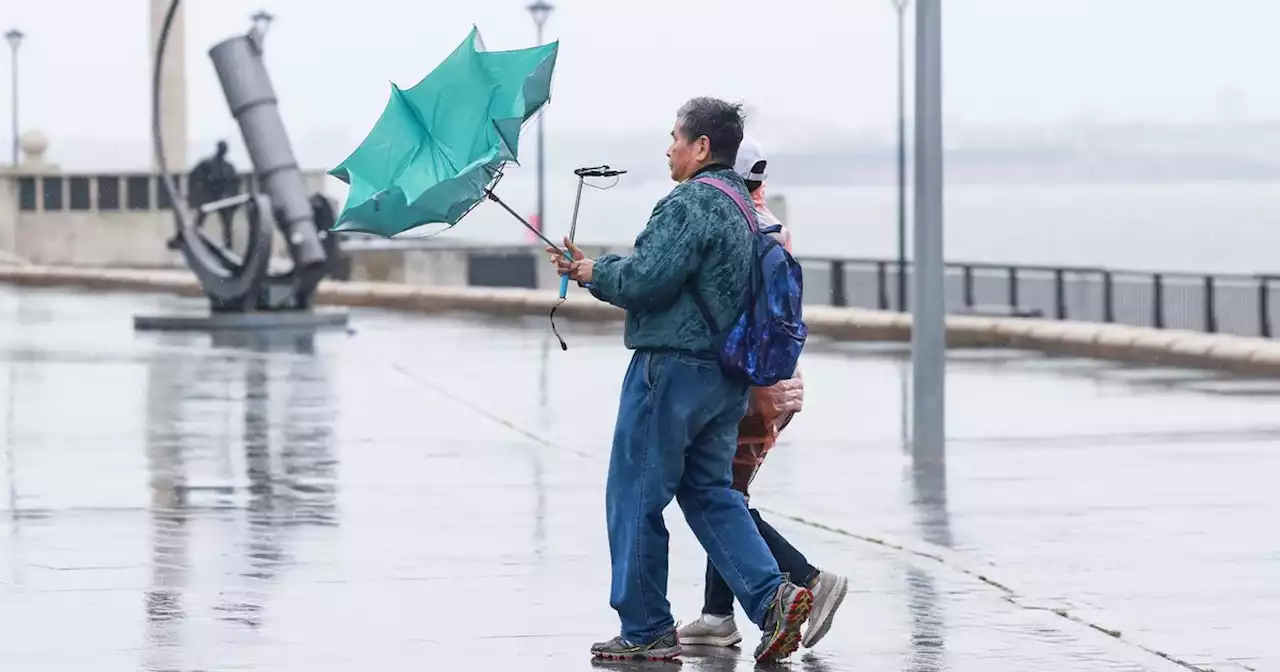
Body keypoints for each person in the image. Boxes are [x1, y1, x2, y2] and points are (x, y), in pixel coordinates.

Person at [548, 98, 813, 664]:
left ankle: (645, 629)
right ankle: (773, 598)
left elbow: (648, 280)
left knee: (634, 495)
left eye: (675, 137)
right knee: (711, 493)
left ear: (700, 148)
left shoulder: (690, 202)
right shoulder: (743, 206)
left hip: (670, 370)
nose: (668, 147)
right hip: (726, 377)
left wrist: (594, 271)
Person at [676, 136, 849, 651]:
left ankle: (811, 581)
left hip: (745, 387)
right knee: (728, 491)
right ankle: (716, 614)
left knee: (715, 495)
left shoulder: (736, 231)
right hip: (775, 382)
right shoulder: (774, 228)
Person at [187, 140, 240, 248]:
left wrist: (233, 200)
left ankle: (228, 245)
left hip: (222, 198)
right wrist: (198, 192)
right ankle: (192, 241)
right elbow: (193, 176)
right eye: (222, 148)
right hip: (209, 196)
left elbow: (235, 183)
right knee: (199, 220)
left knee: (227, 223)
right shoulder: (207, 164)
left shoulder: (228, 167)